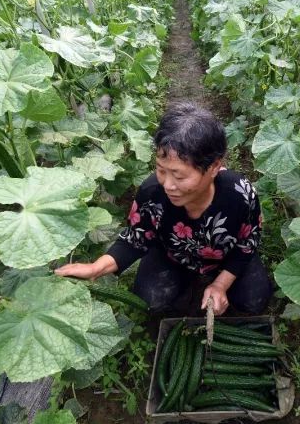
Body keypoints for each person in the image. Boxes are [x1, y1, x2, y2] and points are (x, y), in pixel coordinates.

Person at [55, 102, 273, 315]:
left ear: (214, 167)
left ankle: (212, 283)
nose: (168, 185)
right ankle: (186, 283)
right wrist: (96, 268)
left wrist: (221, 284)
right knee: (150, 300)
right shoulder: (152, 193)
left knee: (254, 301)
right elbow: (134, 240)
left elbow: (246, 244)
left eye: (178, 175)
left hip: (225, 258)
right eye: (161, 170)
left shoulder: (240, 194)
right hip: (173, 256)